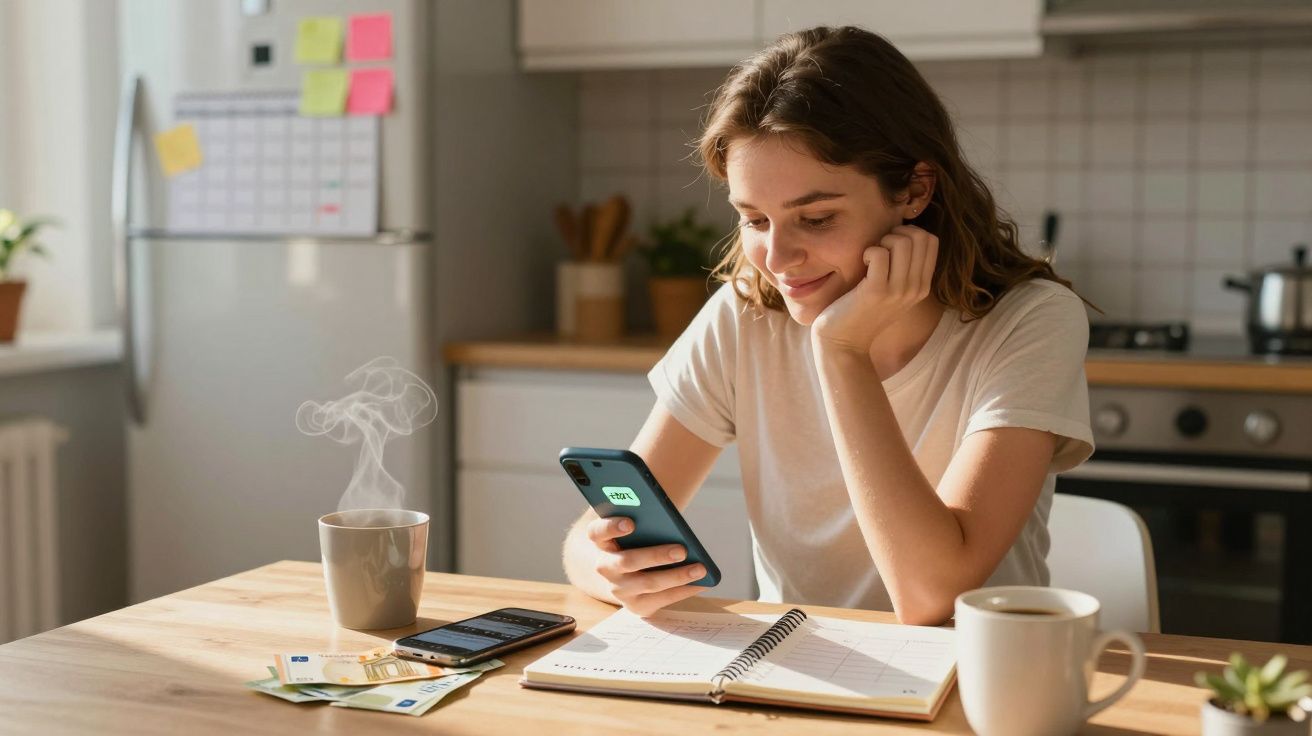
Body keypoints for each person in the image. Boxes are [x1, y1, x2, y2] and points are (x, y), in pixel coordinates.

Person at [561, 26, 1094, 626]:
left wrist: (841, 351)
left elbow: (931, 598)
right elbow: (588, 541)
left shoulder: (1030, 322)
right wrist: (604, 565)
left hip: (971, 682)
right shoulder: (745, 316)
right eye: (755, 219)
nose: (778, 258)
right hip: (792, 672)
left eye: (815, 218)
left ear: (914, 190)